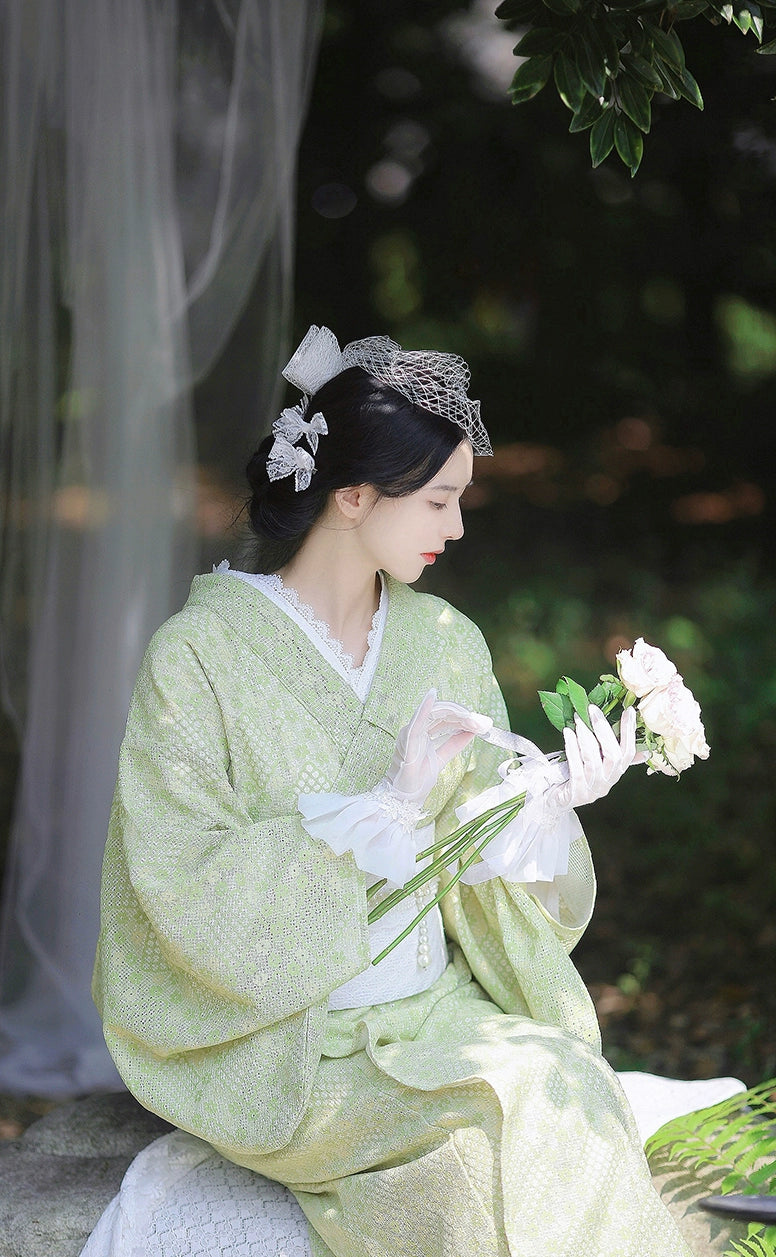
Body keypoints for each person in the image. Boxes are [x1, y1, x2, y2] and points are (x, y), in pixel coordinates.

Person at [92, 326, 697, 1257]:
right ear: (353, 494)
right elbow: (175, 883)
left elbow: (494, 889)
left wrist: (546, 805)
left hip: (440, 1013)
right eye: (440, 500)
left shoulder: (445, 639)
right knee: (516, 1113)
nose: (456, 528)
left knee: (557, 1086)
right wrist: (385, 804)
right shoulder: (198, 657)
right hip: (291, 1045)